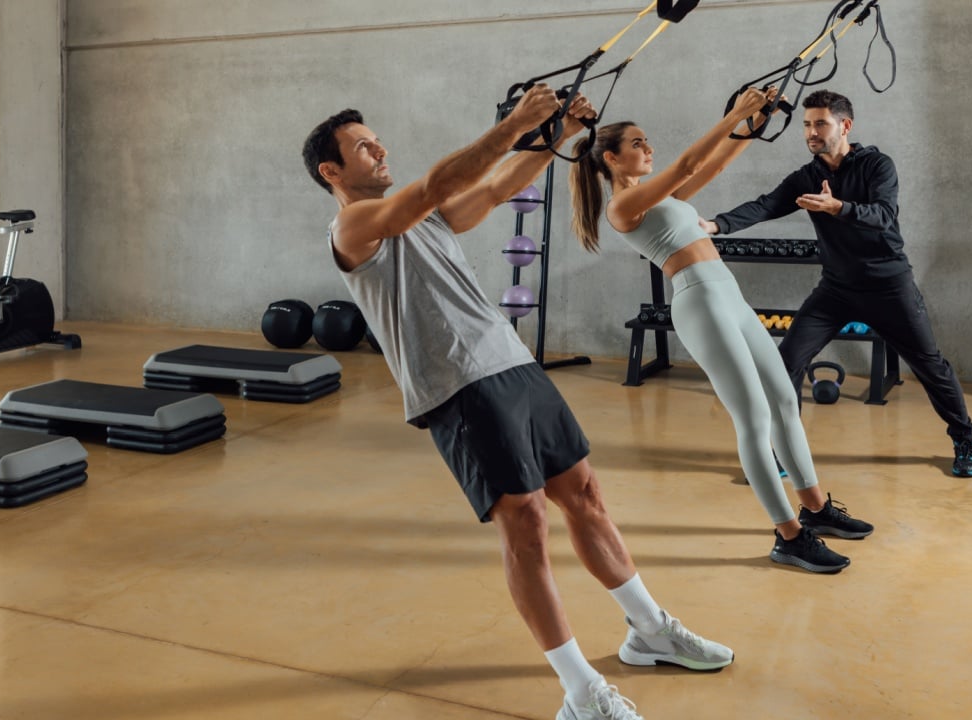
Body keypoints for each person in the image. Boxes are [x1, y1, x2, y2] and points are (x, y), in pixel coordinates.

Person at [302, 86, 732, 720]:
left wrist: (554, 139)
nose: (379, 148)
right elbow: (430, 187)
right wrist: (516, 123)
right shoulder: (354, 226)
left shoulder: (424, 218)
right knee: (526, 522)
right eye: (362, 146)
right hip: (457, 386)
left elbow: (495, 190)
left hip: (511, 363)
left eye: (376, 138)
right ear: (331, 171)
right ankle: (581, 692)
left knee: (584, 494)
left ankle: (650, 631)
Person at [569, 86, 874, 576]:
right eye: (638, 143)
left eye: (647, 141)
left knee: (782, 400)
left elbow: (712, 168)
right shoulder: (623, 207)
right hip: (700, 301)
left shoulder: (659, 195)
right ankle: (789, 536)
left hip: (728, 295)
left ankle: (815, 506)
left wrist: (753, 125)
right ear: (611, 159)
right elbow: (689, 165)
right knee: (753, 417)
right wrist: (735, 113)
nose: (649, 148)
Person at [701, 89, 972, 478]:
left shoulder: (877, 166)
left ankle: (965, 439)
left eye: (820, 123)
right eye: (806, 124)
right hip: (836, 289)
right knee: (786, 364)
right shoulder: (808, 176)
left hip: (888, 285)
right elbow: (766, 204)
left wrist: (838, 207)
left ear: (845, 125)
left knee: (931, 366)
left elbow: (883, 215)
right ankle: (785, 449)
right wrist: (715, 225)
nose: (811, 132)